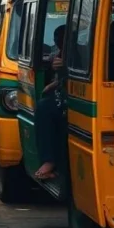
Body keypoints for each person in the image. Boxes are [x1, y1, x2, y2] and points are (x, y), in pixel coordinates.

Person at [33, 25, 66, 179]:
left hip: (75, 96)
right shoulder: (55, 55)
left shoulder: (80, 53)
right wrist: (51, 85)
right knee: (42, 105)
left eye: (62, 38)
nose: (59, 42)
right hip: (60, 92)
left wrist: (65, 67)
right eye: (56, 38)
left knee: (44, 109)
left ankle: (49, 161)